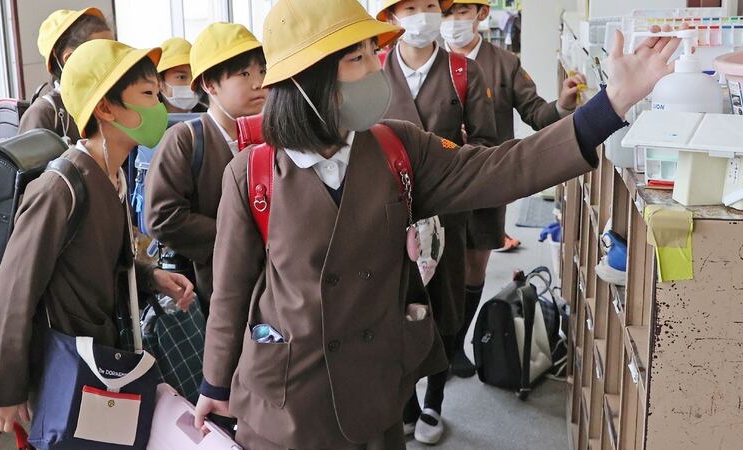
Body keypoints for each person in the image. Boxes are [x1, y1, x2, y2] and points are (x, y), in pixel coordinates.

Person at [193, 0, 682, 447]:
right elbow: (231, 293)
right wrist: (214, 384)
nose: (374, 69)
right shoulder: (252, 175)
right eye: (356, 59)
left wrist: (610, 107)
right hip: (287, 400)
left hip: (377, 391)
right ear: (307, 78)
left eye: (370, 52)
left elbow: (501, 168)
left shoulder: (396, 149)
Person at [0, 39, 195, 433]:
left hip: (99, 356)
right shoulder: (60, 186)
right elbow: (13, 290)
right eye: (148, 94)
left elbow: (110, 258)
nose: (160, 107)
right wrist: (4, 389)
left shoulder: (113, 174)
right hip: (64, 366)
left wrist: (151, 277)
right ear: (105, 107)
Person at [441, 0, 589, 379]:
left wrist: (563, 104)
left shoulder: (503, 63)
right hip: (440, 181)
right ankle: (437, 345)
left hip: (490, 178)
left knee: (476, 263)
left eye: (462, 12)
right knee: (441, 266)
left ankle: (457, 343)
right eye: (447, 13)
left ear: (480, 15)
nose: (454, 21)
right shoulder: (432, 61)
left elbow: (536, 112)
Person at [376, 0, 497, 443]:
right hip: (388, 213)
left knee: (445, 305)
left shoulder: (463, 71)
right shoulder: (373, 70)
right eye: (410, 7)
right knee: (395, 304)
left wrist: (450, 162)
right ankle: (406, 401)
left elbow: (484, 145)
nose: (421, 14)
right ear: (391, 17)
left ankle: (434, 403)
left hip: (447, 212)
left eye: (429, 5)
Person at [145, 23, 267, 316]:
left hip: (270, 286)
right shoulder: (185, 139)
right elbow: (162, 216)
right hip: (214, 289)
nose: (258, 83)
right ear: (210, 85)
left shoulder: (272, 135)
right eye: (244, 74)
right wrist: (238, 234)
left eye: (262, 71)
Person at [18, 7, 113, 144]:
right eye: (103, 53)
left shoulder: (109, 101)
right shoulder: (44, 114)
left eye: (116, 50)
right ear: (69, 59)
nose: (114, 59)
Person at [156, 37, 205, 113]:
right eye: (181, 77)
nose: (191, 84)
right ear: (159, 82)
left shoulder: (209, 118)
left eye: (195, 77)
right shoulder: (147, 121)